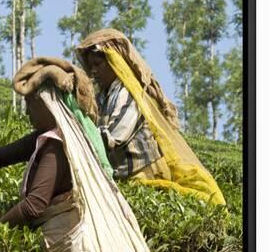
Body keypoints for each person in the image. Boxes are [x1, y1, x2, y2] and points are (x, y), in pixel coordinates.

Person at [0, 57, 157, 252]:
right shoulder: (57, 136)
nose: (27, 112)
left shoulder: (56, 144)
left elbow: (34, 206)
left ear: (46, 102)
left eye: (30, 104)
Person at [75, 28, 225, 205]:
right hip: (125, 178)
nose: (93, 71)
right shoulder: (103, 97)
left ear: (114, 61)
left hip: (146, 174)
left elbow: (115, 137)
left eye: (98, 65)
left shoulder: (128, 94)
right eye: (90, 66)